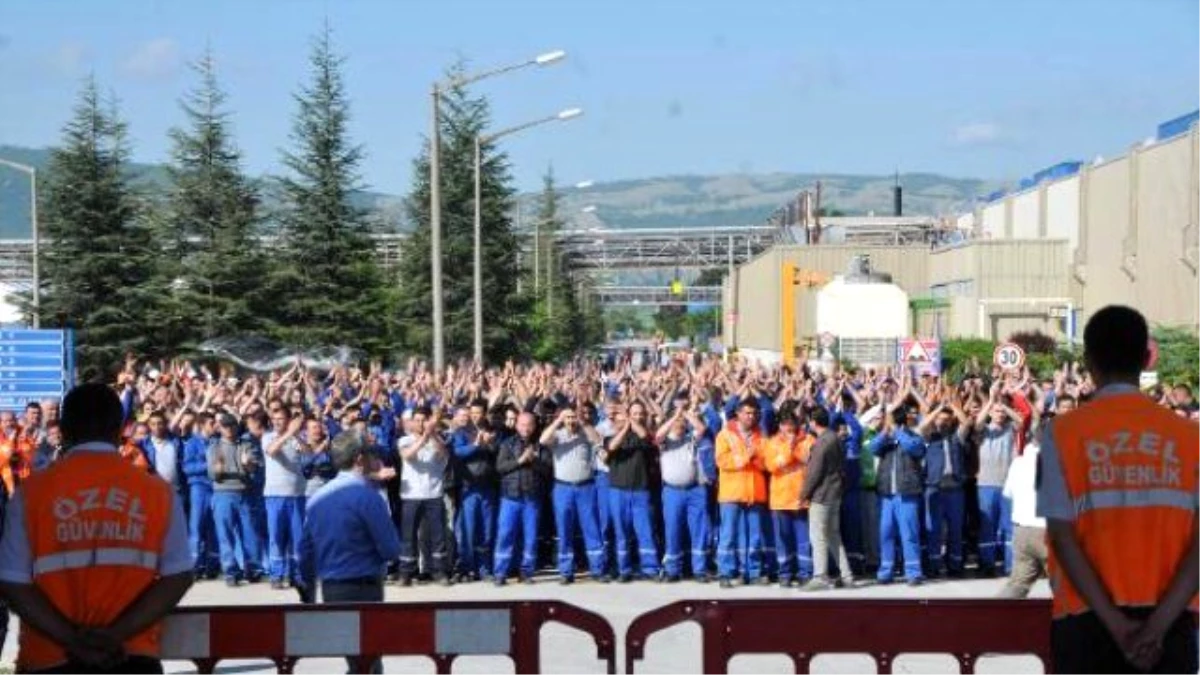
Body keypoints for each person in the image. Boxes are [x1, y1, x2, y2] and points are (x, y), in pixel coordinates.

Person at [1038, 305, 1200, 674]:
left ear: (1088, 361)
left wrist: (1117, 626)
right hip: (1169, 626)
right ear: (1146, 359)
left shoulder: (1060, 434)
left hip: (1084, 624)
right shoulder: (1192, 438)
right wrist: (1156, 629)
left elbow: (1062, 537)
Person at [0, 383, 193, 674]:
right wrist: (115, 635)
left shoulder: (31, 494)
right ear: (121, 430)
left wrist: (71, 639)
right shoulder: (158, 493)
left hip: (50, 658)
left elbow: (13, 582)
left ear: (63, 429)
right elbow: (177, 576)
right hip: (130, 656)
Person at [299, 430, 400, 675]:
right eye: (369, 453)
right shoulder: (368, 497)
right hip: (365, 588)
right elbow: (391, 550)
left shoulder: (317, 498)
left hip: (332, 589)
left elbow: (305, 551)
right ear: (358, 459)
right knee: (368, 661)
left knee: (356, 660)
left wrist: (309, 594)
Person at [541, 405, 607, 585]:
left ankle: (598, 569)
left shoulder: (586, 433)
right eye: (568, 417)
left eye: (573, 417)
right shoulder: (558, 436)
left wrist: (583, 421)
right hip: (563, 488)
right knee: (564, 529)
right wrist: (558, 420)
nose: (571, 421)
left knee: (591, 528)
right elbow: (542, 439)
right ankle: (566, 571)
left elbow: (598, 439)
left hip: (585, 487)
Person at [715, 398, 769, 588]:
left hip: (754, 492)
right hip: (731, 493)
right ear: (738, 414)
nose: (750, 416)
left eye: (753, 413)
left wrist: (754, 459)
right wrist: (748, 456)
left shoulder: (761, 436)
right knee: (728, 535)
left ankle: (752, 572)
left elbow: (765, 463)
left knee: (754, 536)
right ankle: (725, 572)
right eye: (747, 413)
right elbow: (722, 461)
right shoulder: (725, 435)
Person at [493, 412, 551, 585]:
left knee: (531, 538)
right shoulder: (507, 444)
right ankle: (500, 573)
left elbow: (548, 471)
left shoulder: (541, 447)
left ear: (534, 426)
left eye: (529, 424)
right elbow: (500, 467)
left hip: (532, 499)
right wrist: (520, 460)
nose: (526, 428)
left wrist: (533, 461)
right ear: (517, 425)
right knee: (505, 535)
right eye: (522, 424)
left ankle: (527, 572)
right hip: (510, 498)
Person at [801, 408, 855, 591]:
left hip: (822, 494)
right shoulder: (836, 439)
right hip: (835, 493)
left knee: (818, 536)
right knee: (833, 535)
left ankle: (820, 576)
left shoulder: (822, 442)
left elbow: (814, 472)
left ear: (813, 422)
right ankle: (847, 575)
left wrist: (804, 494)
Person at [396, 407, 451, 586]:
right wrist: (424, 437)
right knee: (408, 535)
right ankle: (406, 572)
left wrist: (432, 434)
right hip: (411, 495)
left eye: (423, 420)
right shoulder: (405, 440)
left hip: (434, 494)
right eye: (417, 420)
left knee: (438, 536)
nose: (420, 424)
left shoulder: (437, 440)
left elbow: (444, 454)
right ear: (411, 422)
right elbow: (408, 455)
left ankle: (439, 571)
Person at [207, 414, 264, 586]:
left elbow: (255, 468)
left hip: (244, 493)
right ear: (220, 428)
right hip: (222, 494)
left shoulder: (247, 444)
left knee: (250, 533)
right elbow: (213, 475)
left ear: (237, 426)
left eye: (232, 425)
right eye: (225, 426)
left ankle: (253, 569)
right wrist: (218, 471)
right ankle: (231, 571)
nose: (229, 429)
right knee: (225, 534)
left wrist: (248, 466)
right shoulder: (214, 447)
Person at [763, 409, 813, 588]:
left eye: (791, 424)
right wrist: (788, 448)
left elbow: (810, 459)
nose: (788, 428)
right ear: (780, 425)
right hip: (780, 499)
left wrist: (794, 447)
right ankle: (784, 573)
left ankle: (805, 572)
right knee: (782, 539)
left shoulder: (808, 440)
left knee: (804, 539)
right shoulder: (772, 443)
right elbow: (772, 466)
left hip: (802, 498)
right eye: (784, 424)